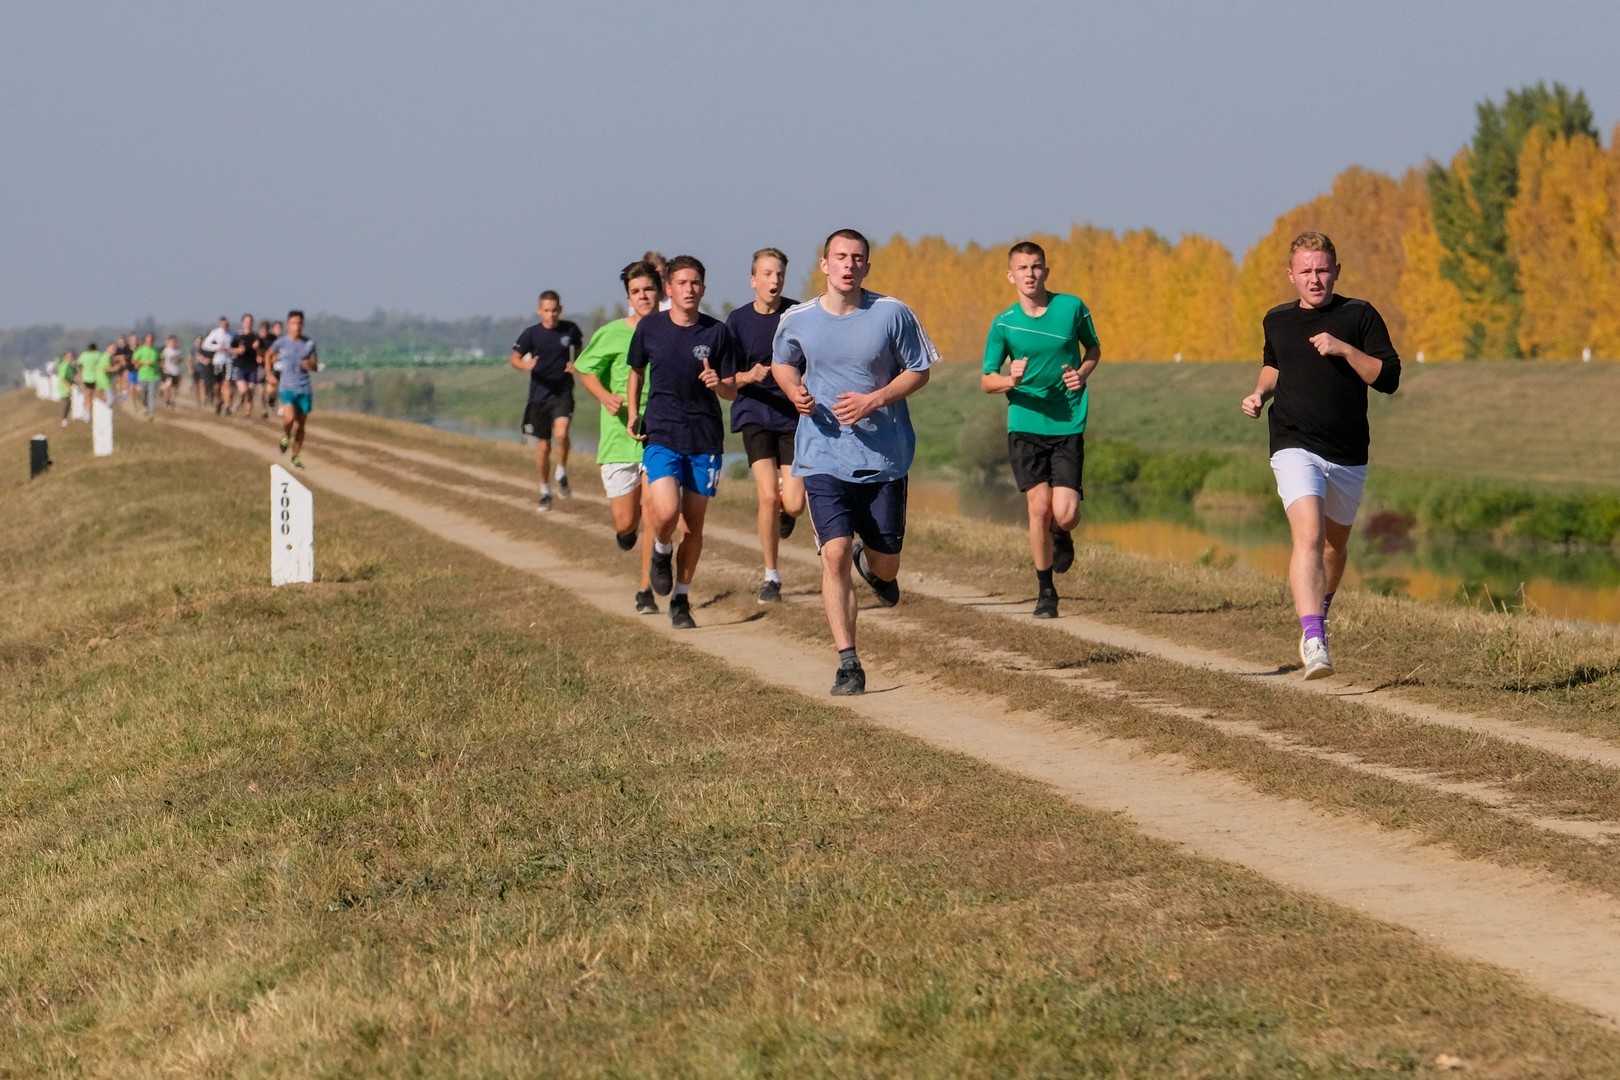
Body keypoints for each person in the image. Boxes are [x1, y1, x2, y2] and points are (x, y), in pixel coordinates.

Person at [772, 229, 936, 695]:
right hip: (823, 453)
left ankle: (872, 560)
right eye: (840, 257)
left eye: (857, 257)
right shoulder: (797, 318)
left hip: (884, 456)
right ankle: (849, 663)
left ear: (867, 266)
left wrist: (875, 399)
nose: (848, 264)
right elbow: (783, 362)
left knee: (887, 568)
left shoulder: (892, 313)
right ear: (825, 264)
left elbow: (920, 369)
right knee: (834, 553)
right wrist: (794, 389)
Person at [1241, 231, 1401, 680]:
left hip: (1348, 451)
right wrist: (1260, 393)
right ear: (1291, 275)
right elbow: (1274, 365)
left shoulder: (1359, 315)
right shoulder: (1277, 319)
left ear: (1337, 271)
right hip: (1293, 442)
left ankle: (1320, 613)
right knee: (1309, 536)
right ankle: (1314, 640)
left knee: (1334, 546)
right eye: (1306, 271)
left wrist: (1344, 348)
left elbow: (1388, 378)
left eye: (1323, 270)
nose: (1315, 279)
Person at [981, 240, 1102, 618]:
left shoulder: (1071, 308)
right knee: (1038, 507)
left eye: (1036, 267)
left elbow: (1093, 350)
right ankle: (1046, 591)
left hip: (1067, 419)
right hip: (1025, 421)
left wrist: (1082, 374)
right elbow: (986, 379)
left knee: (1064, 514)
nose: (1030, 274)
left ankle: (1062, 533)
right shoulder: (1003, 323)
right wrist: (1010, 380)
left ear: (1046, 271)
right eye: (1022, 268)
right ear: (1010, 276)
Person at [625, 255, 740, 630]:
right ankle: (661, 548)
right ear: (669, 288)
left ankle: (681, 599)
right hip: (661, 432)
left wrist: (719, 384)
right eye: (682, 283)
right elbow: (636, 372)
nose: (689, 289)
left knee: (693, 526)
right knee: (666, 511)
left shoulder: (717, 333)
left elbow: (732, 390)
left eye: (695, 283)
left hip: (704, 438)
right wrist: (632, 412)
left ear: (703, 289)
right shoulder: (650, 328)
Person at [575, 261, 663, 613]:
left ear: (659, 291)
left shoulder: (670, 329)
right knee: (627, 521)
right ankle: (626, 533)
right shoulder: (611, 333)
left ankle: (645, 590)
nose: (643, 296)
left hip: (658, 435)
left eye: (648, 289)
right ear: (628, 297)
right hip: (618, 438)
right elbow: (585, 369)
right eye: (636, 292)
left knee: (653, 512)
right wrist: (605, 396)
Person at [724, 247, 805, 603]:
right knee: (768, 496)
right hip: (754, 412)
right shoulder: (737, 321)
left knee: (795, 503)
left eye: (780, 274)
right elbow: (728, 379)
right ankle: (771, 576)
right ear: (753, 280)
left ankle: (787, 512)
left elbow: (813, 362)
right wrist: (748, 375)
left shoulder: (797, 314)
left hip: (792, 415)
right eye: (768, 274)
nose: (775, 280)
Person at [510, 291, 582, 511]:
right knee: (543, 447)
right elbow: (514, 359)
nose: (551, 315)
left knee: (561, 433)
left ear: (560, 310)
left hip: (562, 392)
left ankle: (561, 471)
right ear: (539, 311)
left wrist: (576, 363)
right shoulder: (531, 334)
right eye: (547, 311)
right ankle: (545, 490)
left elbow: (579, 347)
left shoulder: (570, 329)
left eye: (554, 310)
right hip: (539, 397)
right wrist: (526, 365)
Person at [269, 310, 319, 469]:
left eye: (299, 323)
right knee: (289, 418)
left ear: (303, 325)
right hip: (287, 387)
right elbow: (268, 354)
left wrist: (309, 364)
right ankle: (286, 435)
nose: (296, 326)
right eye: (293, 323)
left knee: (301, 425)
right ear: (288, 325)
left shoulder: (309, 343)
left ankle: (295, 456)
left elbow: (315, 366)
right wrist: (269, 374)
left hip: (304, 388)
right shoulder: (281, 343)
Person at [228, 314, 261, 417]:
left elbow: (262, 351)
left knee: (251, 391)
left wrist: (258, 352)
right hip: (240, 366)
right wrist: (238, 350)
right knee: (243, 390)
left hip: (253, 366)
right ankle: (240, 400)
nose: (248, 323)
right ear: (242, 323)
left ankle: (247, 414)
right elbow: (230, 350)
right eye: (246, 321)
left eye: (250, 321)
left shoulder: (256, 337)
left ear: (253, 323)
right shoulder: (238, 336)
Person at [202, 316, 231, 413]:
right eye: (223, 324)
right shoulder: (215, 333)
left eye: (226, 324)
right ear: (220, 324)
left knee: (226, 384)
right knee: (217, 385)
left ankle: (227, 406)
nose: (225, 326)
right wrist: (218, 347)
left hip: (228, 362)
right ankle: (219, 400)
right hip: (217, 362)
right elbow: (205, 345)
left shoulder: (232, 333)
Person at [131, 331, 162, 417]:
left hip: (154, 375)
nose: (150, 341)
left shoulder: (156, 350)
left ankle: (152, 412)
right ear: (145, 340)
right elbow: (133, 360)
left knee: (151, 394)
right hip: (143, 375)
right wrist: (143, 363)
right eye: (149, 339)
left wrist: (161, 364)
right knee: (143, 395)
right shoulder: (140, 350)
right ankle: (146, 407)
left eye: (152, 340)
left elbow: (160, 360)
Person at [260, 318, 284, 413]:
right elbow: (266, 354)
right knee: (271, 389)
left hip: (283, 368)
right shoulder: (270, 340)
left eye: (280, 328)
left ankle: (282, 406)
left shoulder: (285, 340)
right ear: (273, 329)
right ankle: (272, 398)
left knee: (283, 387)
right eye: (277, 328)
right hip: (273, 367)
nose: (279, 330)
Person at [160, 335, 185, 409]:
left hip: (176, 371)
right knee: (169, 383)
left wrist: (179, 361)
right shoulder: (166, 350)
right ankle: (162, 389)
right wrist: (163, 366)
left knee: (174, 390)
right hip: (168, 371)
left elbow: (181, 359)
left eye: (174, 342)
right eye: (171, 342)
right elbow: (162, 359)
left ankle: (169, 401)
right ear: (169, 342)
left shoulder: (179, 351)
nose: (173, 343)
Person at [56, 349, 78, 427]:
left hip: (71, 385)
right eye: (69, 356)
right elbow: (63, 378)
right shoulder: (64, 365)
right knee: (68, 402)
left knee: (72, 402)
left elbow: (74, 375)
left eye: (72, 356)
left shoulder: (71, 366)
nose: (71, 358)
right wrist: (68, 387)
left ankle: (73, 416)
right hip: (64, 387)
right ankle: (64, 419)